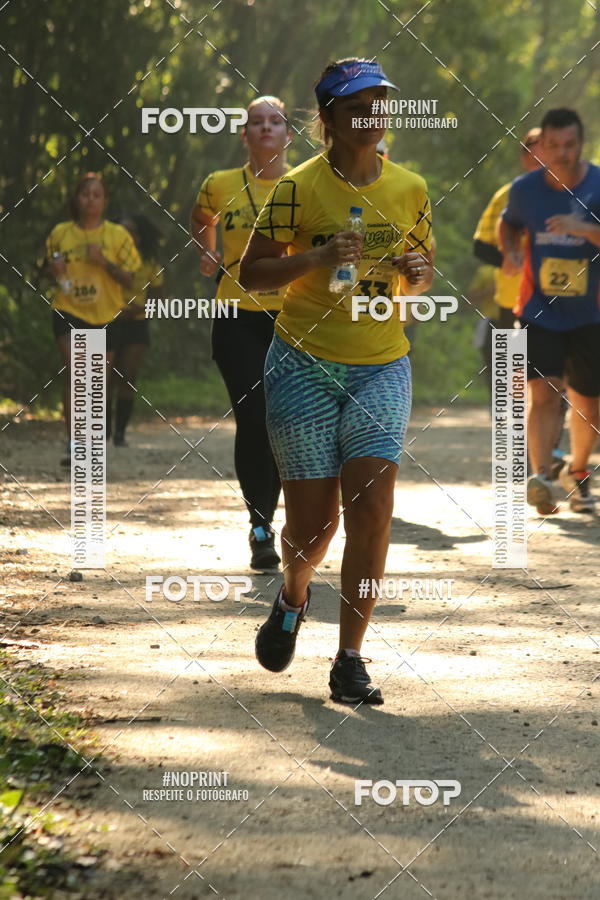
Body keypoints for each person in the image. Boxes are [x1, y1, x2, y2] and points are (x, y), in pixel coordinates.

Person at [240, 58, 433, 704]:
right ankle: (294, 593)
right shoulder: (298, 188)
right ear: (326, 120)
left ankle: (351, 657)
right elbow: (253, 273)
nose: (372, 116)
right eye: (356, 107)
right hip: (304, 365)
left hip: (382, 363)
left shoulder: (410, 188)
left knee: (373, 509)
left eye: (380, 103)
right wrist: (317, 258)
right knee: (315, 529)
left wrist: (418, 267)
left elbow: (424, 272)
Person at [190, 96, 292, 571]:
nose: (266, 128)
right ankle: (260, 527)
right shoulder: (220, 185)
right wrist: (208, 252)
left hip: (296, 319)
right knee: (254, 418)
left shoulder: (305, 184)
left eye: (275, 121)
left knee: (288, 425)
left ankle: (302, 524)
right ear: (244, 134)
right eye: (257, 122)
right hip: (236, 316)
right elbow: (201, 218)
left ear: (288, 134)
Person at [499, 108, 600, 514]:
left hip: (591, 310)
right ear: (541, 146)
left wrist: (585, 230)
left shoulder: (598, 182)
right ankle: (540, 477)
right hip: (539, 307)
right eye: (552, 145)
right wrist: (509, 251)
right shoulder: (524, 189)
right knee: (543, 391)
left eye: (569, 144)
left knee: (587, 402)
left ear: (582, 143)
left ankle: (576, 472)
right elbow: (509, 224)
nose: (561, 153)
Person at [45, 173, 141, 466]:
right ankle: (75, 445)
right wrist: (56, 270)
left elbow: (130, 279)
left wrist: (103, 262)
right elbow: (53, 268)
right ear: (76, 199)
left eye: (96, 195)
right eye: (85, 194)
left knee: (96, 381)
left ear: (105, 201)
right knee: (76, 372)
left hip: (106, 315)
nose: (90, 199)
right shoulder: (60, 233)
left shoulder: (117, 236)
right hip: (68, 309)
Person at [109, 213, 163, 446]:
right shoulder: (107, 260)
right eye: (122, 231)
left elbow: (159, 301)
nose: (127, 236)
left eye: (131, 232)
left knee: (128, 376)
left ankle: (120, 432)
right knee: (104, 377)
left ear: (139, 238)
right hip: (107, 322)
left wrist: (138, 309)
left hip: (137, 325)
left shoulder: (150, 265)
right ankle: (101, 431)